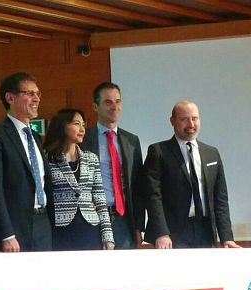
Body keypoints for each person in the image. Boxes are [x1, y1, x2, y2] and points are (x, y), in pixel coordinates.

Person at [143, 100, 240, 249]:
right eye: (184, 119)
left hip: (205, 230)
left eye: (194, 118)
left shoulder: (211, 153)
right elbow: (153, 196)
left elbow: (220, 199)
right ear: (172, 121)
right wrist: (161, 233)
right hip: (172, 234)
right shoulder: (158, 152)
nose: (191, 124)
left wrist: (226, 237)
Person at [0, 72, 52, 252]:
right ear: (10, 98)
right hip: (14, 226)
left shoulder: (35, 136)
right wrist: (6, 234)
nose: (36, 99)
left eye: (38, 93)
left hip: (42, 222)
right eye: (29, 93)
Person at [81, 82, 144, 249]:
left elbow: (138, 186)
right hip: (93, 218)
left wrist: (138, 226)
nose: (114, 107)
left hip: (124, 220)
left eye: (118, 101)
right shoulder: (83, 139)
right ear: (95, 106)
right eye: (108, 102)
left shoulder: (131, 141)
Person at [43, 109, 114, 251]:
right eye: (76, 124)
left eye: (83, 125)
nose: (82, 129)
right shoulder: (47, 159)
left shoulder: (91, 158)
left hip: (90, 229)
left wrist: (107, 235)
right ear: (62, 126)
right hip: (60, 230)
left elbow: (100, 199)